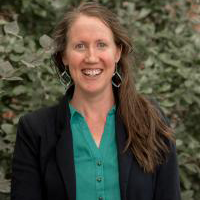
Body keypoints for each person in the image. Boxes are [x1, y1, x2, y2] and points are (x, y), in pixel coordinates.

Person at [11, 2, 181, 200]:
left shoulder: (151, 120)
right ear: (64, 55)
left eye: (101, 44)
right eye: (80, 46)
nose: (91, 57)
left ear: (117, 52)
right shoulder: (35, 130)